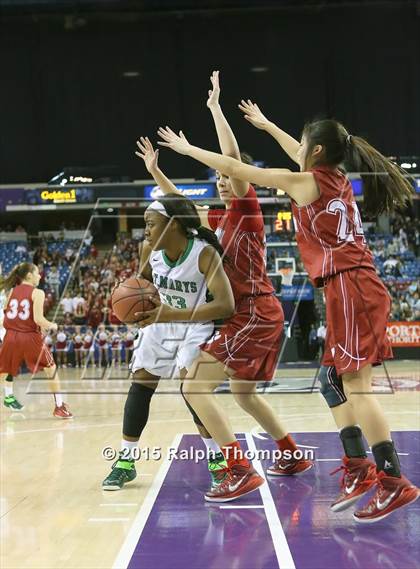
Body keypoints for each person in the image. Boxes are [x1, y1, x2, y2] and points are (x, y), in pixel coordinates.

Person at [157, 101, 418, 521]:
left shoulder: (305, 182)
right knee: (332, 382)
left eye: (304, 144)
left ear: (315, 152)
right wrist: (265, 124)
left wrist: (188, 151)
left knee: (356, 386)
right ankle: (358, 467)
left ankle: (391, 480)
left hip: (351, 285)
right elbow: (298, 149)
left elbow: (242, 170)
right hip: (346, 288)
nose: (298, 148)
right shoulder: (332, 175)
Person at [149, 71, 312, 502]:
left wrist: (216, 108)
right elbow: (183, 208)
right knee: (243, 394)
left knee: (193, 388)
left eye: (227, 176)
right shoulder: (217, 223)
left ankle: (238, 470)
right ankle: (291, 454)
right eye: (217, 178)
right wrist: (157, 171)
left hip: (254, 310)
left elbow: (233, 155)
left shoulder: (246, 210)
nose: (223, 179)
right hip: (250, 313)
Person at [102, 192, 235, 491]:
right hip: (161, 322)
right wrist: (132, 303)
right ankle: (126, 460)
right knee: (141, 383)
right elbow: (142, 284)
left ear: (173, 225)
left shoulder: (204, 254)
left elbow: (226, 306)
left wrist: (171, 313)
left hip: (196, 323)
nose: (145, 230)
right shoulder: (148, 249)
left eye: (151, 223)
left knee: (192, 389)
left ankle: (217, 460)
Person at [0, 262, 73, 418]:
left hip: (10, 336)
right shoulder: (37, 293)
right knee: (51, 369)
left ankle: (8, 395)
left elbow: (7, 316)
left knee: (7, 368)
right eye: (37, 273)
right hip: (29, 337)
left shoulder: (11, 291)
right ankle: (59, 406)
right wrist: (53, 325)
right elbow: (39, 319)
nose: (40, 275)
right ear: (29, 275)